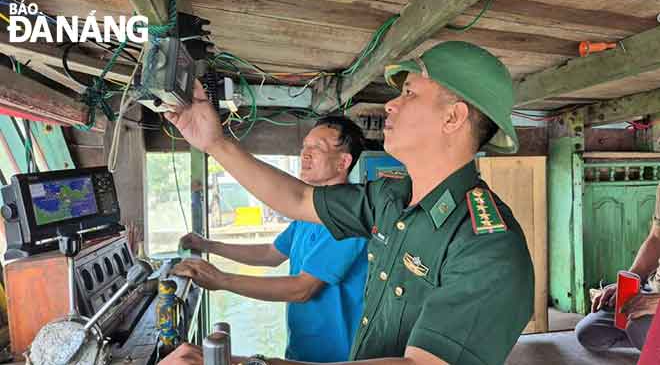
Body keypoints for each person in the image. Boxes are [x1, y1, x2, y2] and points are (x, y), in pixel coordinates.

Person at [165, 41, 534, 365]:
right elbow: (297, 198)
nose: (390, 103)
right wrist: (214, 142)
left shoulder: (488, 245)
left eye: (409, 93)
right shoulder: (389, 198)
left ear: (452, 118)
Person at [174, 117, 369, 362]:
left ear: (343, 162)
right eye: (304, 147)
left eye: (317, 148)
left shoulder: (350, 217)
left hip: (336, 356)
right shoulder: (310, 213)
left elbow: (302, 288)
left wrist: (222, 279)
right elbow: (270, 254)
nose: (305, 155)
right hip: (301, 350)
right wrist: (208, 245)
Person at [576, 183, 660, 351]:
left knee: (639, 328)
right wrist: (628, 284)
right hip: (653, 289)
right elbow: (656, 239)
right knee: (590, 333)